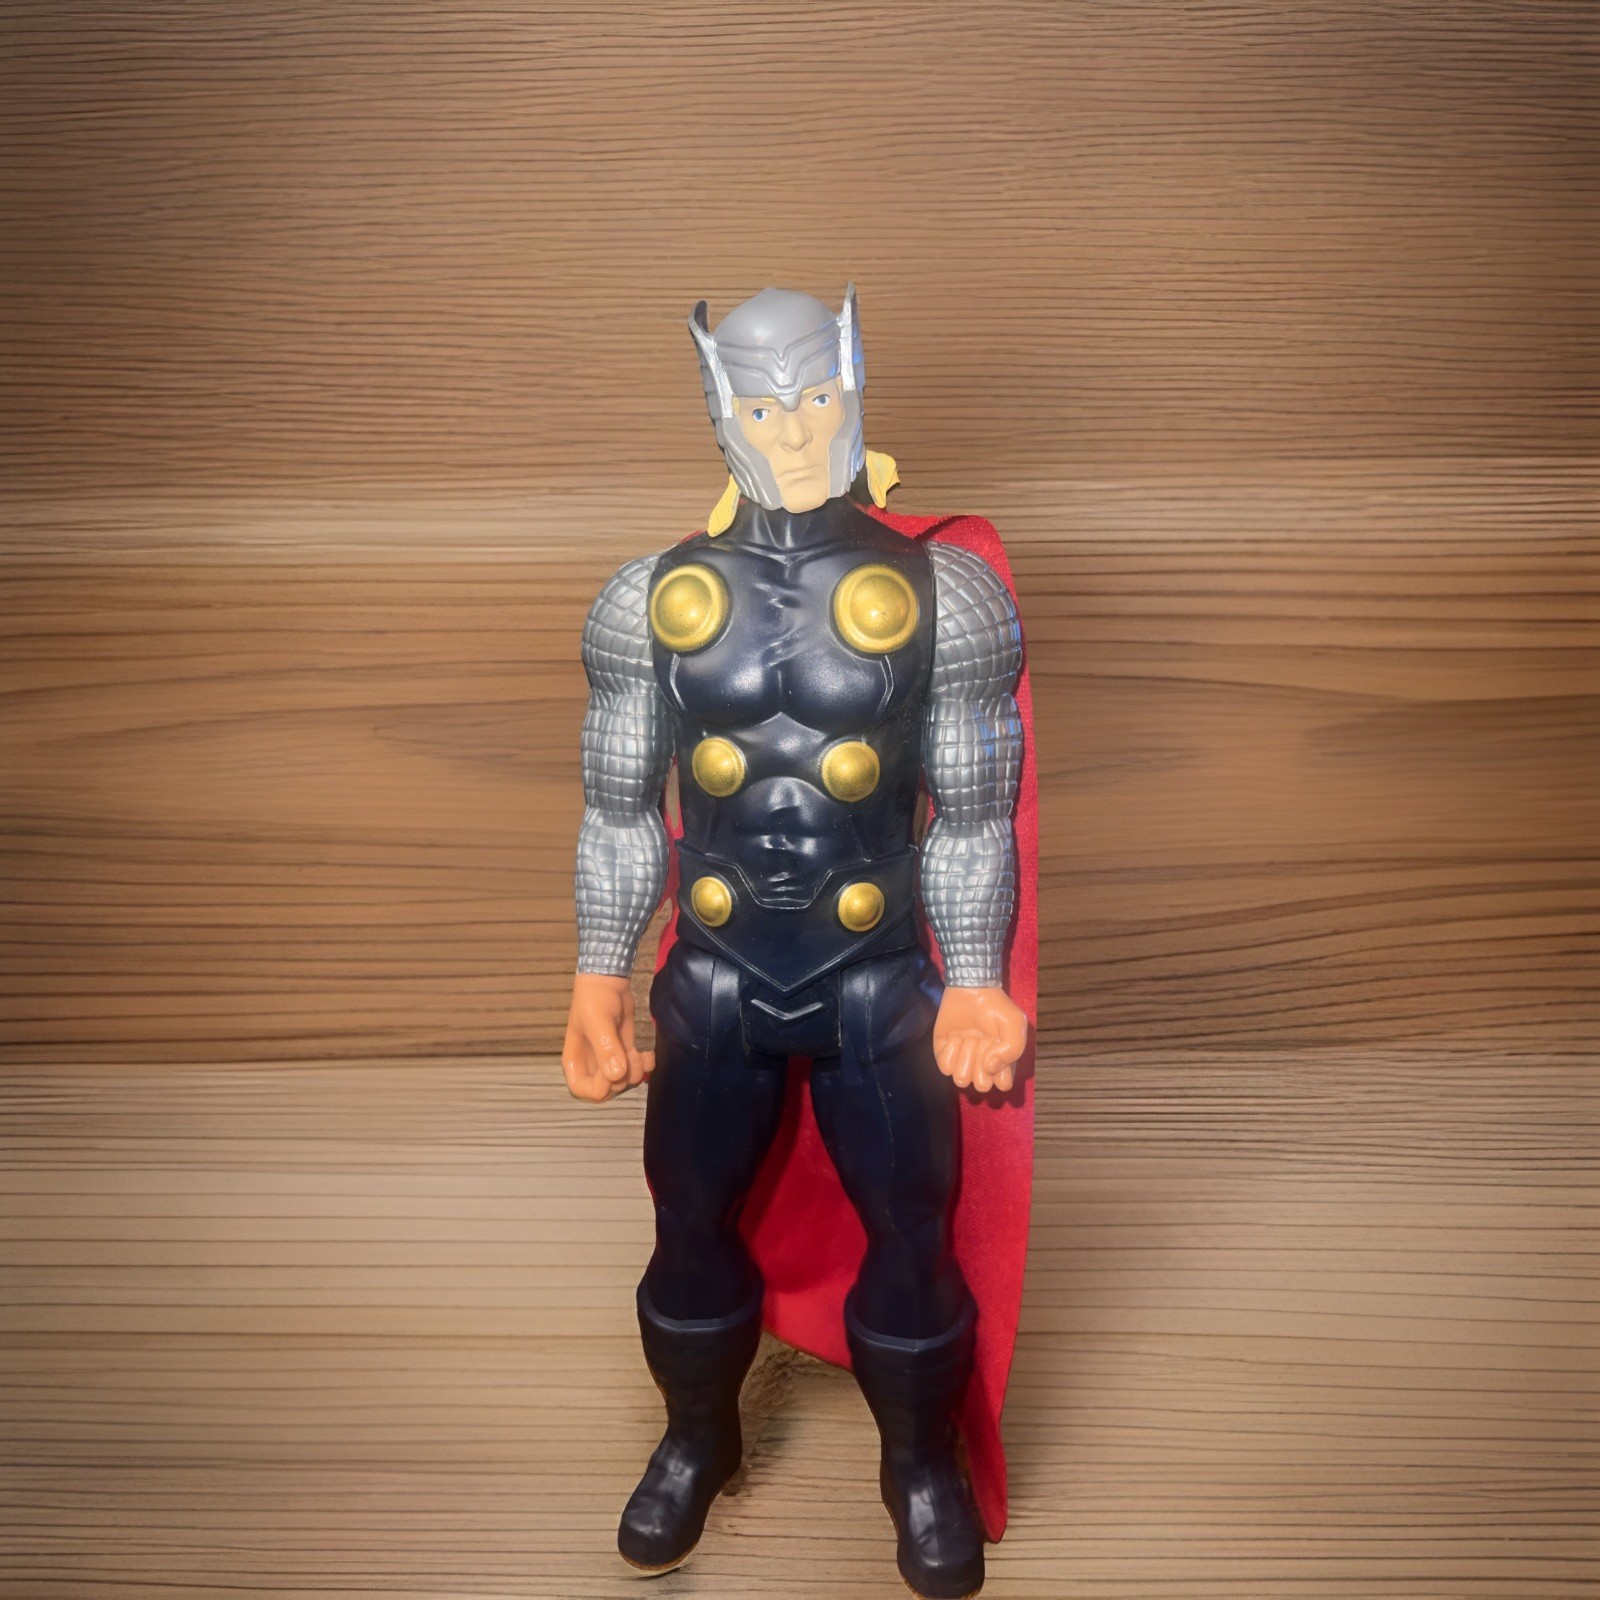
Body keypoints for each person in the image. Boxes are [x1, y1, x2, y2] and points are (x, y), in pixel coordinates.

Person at [561, 285, 1029, 1600]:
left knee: (912, 1231)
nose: (797, 431)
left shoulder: (947, 597)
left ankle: (920, 1464)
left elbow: (976, 809)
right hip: (714, 975)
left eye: (819, 396)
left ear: (856, 384)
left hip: (875, 976)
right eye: (766, 407)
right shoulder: (648, 599)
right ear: (719, 409)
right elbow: (615, 807)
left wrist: (976, 980)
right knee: (688, 1219)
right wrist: (599, 972)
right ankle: (697, 1437)